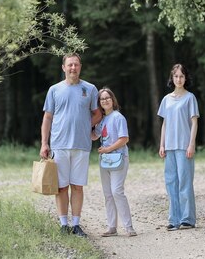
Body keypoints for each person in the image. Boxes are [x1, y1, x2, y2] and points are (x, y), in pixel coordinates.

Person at [40, 53, 102, 237]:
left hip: (81, 145)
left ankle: (76, 224)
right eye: (70, 65)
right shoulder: (54, 90)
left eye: (76, 65)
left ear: (80, 67)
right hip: (59, 145)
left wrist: (86, 126)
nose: (73, 68)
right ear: (63, 67)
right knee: (60, 187)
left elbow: (97, 114)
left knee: (77, 186)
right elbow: (48, 117)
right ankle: (63, 224)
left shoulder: (90, 89)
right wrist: (44, 143)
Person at [158, 63, 200, 231]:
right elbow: (165, 124)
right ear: (172, 78)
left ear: (185, 78)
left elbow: (194, 122)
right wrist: (162, 144)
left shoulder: (190, 98)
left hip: (184, 146)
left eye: (181, 76)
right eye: (176, 76)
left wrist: (191, 144)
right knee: (171, 182)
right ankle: (174, 219)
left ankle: (187, 219)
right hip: (169, 147)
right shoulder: (166, 99)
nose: (179, 79)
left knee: (185, 182)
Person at [91, 87, 137, 237]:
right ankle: (112, 227)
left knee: (117, 191)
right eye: (102, 99)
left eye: (107, 98)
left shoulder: (118, 117)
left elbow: (124, 139)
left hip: (119, 157)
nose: (105, 101)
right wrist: (87, 123)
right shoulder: (102, 120)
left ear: (113, 100)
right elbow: (94, 136)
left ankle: (129, 227)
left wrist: (108, 149)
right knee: (108, 193)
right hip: (105, 160)